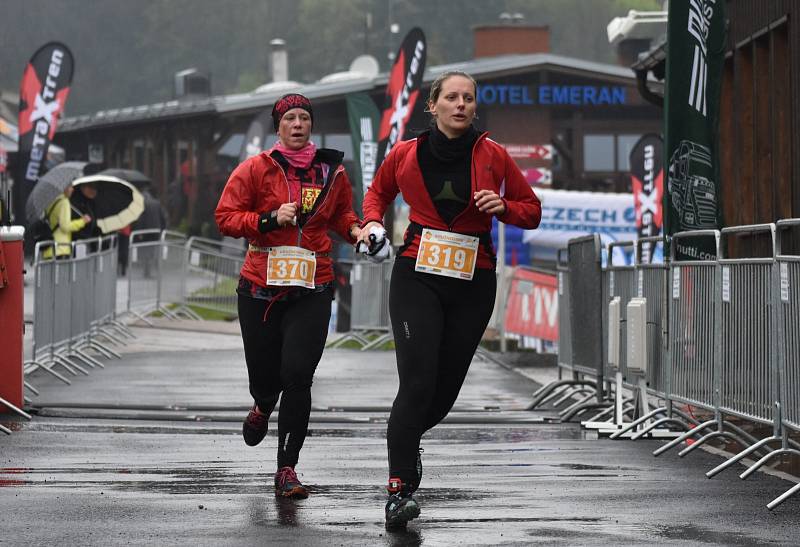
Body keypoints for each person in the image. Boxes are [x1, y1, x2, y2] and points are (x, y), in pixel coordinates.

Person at [358, 70, 542, 530]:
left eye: (468, 98)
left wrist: (505, 208)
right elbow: (376, 194)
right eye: (452, 97)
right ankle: (398, 490)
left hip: (473, 282)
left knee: (442, 395)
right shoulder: (404, 154)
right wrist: (373, 225)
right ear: (433, 105)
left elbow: (532, 210)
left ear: (475, 107)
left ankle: (407, 437)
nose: (461, 105)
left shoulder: (493, 155)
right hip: (417, 274)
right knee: (417, 383)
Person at [215, 93, 362, 499]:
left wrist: (357, 231)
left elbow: (343, 216)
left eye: (304, 118)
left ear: (310, 125)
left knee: (298, 375)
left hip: (313, 285)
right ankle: (262, 405)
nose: (298, 124)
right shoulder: (255, 168)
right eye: (290, 119)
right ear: (277, 127)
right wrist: (268, 218)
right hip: (260, 288)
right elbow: (225, 217)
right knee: (266, 377)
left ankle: (287, 469)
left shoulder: (331, 171)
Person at [43, 185, 92, 259]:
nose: (72, 189)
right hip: (61, 249)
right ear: (63, 188)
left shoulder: (50, 201)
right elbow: (65, 226)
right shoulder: (64, 202)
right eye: (70, 186)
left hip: (49, 249)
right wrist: (82, 221)